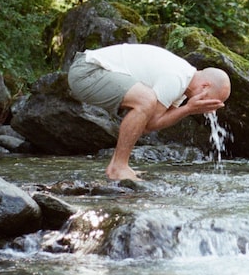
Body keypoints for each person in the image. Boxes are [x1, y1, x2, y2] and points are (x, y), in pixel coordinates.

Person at [67, 43, 231, 180]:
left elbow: (149, 125)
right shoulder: (177, 78)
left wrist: (186, 109)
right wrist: (188, 109)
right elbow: (151, 120)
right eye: (210, 100)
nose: (208, 108)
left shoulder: (183, 82)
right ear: (205, 86)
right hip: (87, 71)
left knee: (146, 101)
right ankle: (119, 167)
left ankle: (117, 166)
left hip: (91, 72)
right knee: (145, 100)